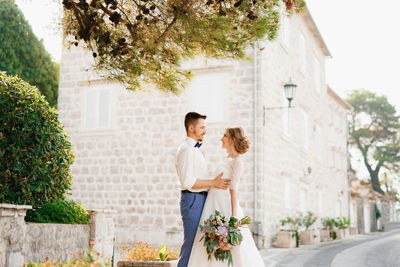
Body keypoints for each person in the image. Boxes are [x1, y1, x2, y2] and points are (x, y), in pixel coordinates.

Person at [188, 127, 265, 267]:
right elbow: (212, 177)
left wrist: (233, 219)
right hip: (213, 204)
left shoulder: (237, 162)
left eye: (224, 135)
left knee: (231, 246)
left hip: (224, 207)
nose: (221, 138)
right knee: (210, 244)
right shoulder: (227, 159)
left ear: (233, 139)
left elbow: (234, 190)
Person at [176, 112, 231, 267]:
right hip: (192, 200)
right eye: (202, 127)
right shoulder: (186, 150)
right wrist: (213, 182)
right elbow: (188, 182)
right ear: (191, 128)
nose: (205, 131)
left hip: (201, 199)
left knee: (200, 247)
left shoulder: (196, 150)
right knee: (191, 245)